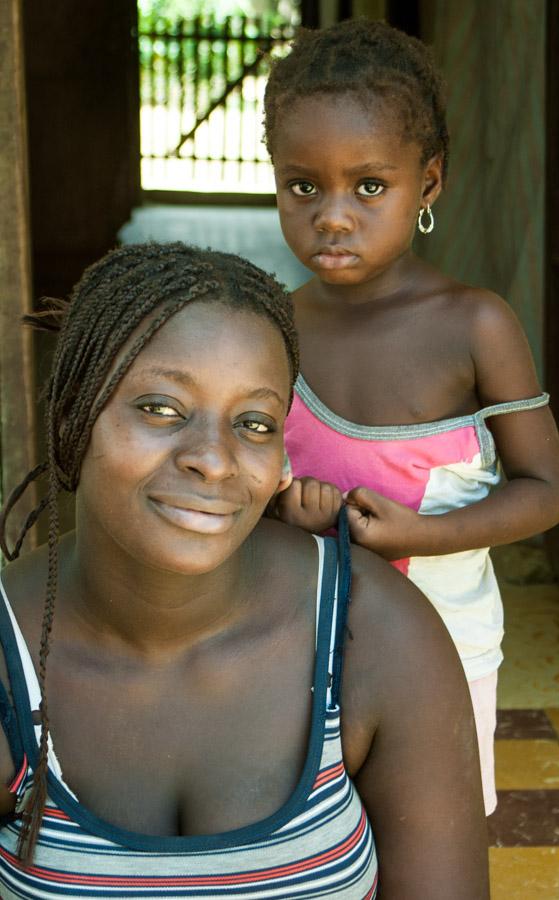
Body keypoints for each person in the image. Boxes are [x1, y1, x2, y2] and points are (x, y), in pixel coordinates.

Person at [0, 243, 488, 898]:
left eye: (254, 422)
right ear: (72, 417)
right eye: (161, 409)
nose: (214, 459)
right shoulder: (9, 662)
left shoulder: (374, 633)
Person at [264, 19, 559, 817]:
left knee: (432, 838)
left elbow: (547, 490)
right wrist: (279, 508)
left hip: (445, 650)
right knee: (317, 839)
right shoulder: (270, 329)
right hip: (296, 645)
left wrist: (415, 534)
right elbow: (241, 473)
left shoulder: (476, 327)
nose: (333, 215)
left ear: (428, 183)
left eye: (370, 186)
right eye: (304, 186)